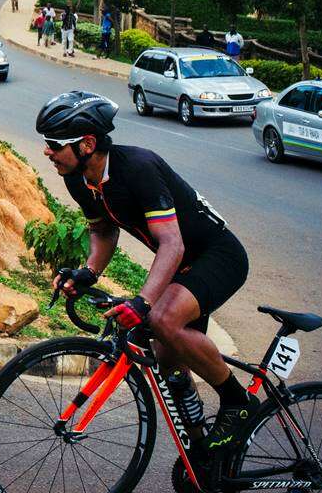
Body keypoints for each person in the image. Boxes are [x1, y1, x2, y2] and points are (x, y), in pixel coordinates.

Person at [41, 91, 256, 454]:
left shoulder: (138, 167)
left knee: (162, 318)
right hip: (181, 264)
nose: (47, 151)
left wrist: (143, 302)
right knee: (167, 361)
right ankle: (203, 460)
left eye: (54, 144)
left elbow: (172, 243)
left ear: (88, 144)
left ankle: (238, 404)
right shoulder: (77, 178)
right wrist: (88, 273)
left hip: (217, 256)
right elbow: (103, 229)